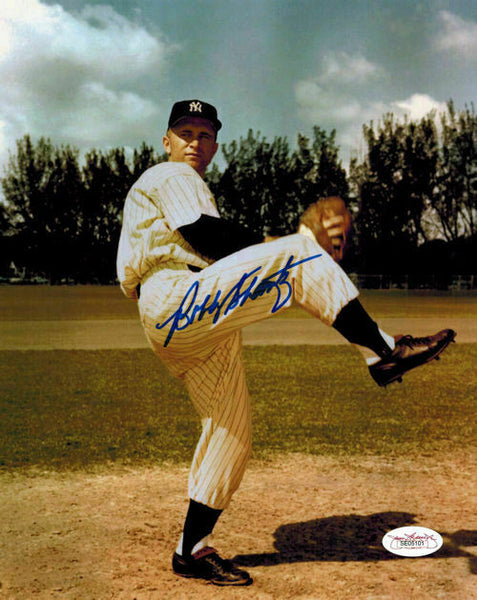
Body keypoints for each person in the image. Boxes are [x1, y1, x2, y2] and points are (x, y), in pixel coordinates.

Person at [117, 99, 455, 586]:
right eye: (185, 132)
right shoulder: (169, 175)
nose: (194, 141)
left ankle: (190, 550)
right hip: (174, 296)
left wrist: (273, 249)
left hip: (195, 319)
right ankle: (384, 352)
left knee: (230, 432)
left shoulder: (194, 185)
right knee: (299, 252)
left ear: (215, 145)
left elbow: (217, 246)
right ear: (166, 140)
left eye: (205, 134)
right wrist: (282, 244)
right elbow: (204, 234)